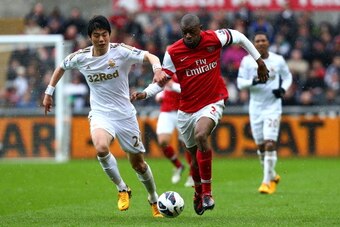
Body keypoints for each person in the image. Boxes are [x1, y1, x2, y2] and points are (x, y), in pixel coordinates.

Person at [131, 13, 269, 215]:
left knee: (201, 134)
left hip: (213, 101)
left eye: (192, 32)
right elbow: (162, 81)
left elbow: (239, 36)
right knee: (193, 160)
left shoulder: (214, 38)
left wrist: (259, 61)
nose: (188, 36)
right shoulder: (174, 51)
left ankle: (207, 192)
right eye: (184, 33)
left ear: (200, 29)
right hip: (186, 109)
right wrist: (145, 93)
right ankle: (197, 193)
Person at [42, 15, 163, 217]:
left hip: (125, 114)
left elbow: (152, 56)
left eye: (105, 34)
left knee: (138, 164)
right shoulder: (81, 57)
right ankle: (122, 188)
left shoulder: (121, 51)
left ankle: (153, 198)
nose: (101, 39)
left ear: (109, 34)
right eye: (97, 35)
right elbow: (61, 67)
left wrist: (157, 69)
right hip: (100, 113)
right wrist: (48, 92)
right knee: (100, 147)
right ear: (90, 37)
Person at [237, 32, 292, 194]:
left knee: (269, 143)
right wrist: (254, 81)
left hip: (273, 107)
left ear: (268, 43)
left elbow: (288, 77)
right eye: (257, 41)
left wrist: (282, 89)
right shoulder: (247, 61)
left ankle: (266, 182)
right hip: (255, 107)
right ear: (253, 44)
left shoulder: (278, 60)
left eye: (263, 40)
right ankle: (273, 175)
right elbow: (240, 83)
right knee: (261, 146)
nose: (260, 43)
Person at [155, 76, 194, 187]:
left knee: (188, 144)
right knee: (163, 142)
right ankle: (178, 166)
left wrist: (174, 86)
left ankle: (192, 174)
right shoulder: (167, 71)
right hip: (166, 110)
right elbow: (163, 87)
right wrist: (160, 95)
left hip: (182, 111)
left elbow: (189, 89)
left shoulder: (186, 70)